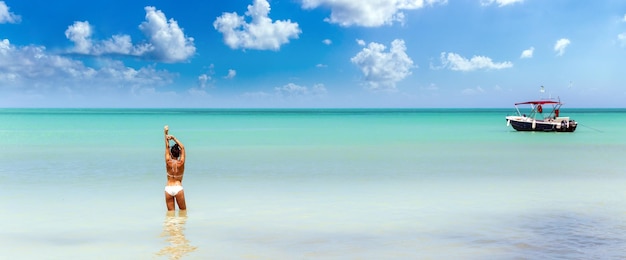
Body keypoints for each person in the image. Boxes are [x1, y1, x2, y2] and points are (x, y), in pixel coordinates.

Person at [164, 125, 187, 211]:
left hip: (168, 188)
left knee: (170, 216)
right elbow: (183, 148)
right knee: (183, 212)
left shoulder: (168, 161)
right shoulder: (181, 163)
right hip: (178, 187)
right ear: (179, 154)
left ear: (171, 153)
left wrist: (165, 133)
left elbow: (166, 147)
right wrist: (174, 138)